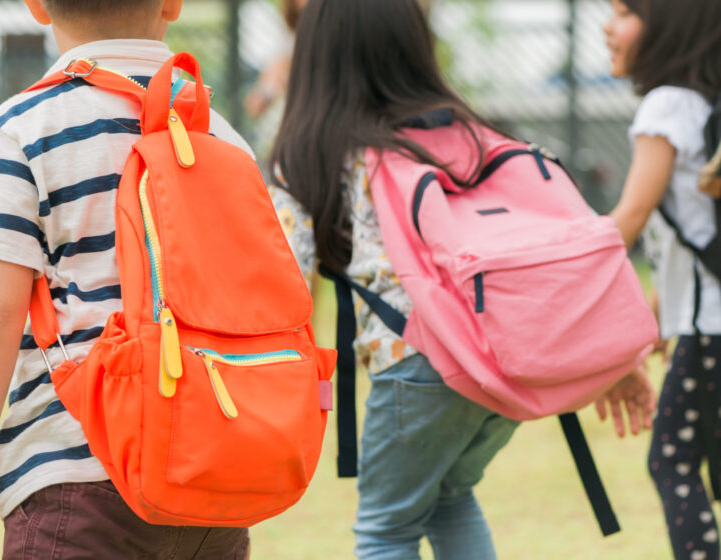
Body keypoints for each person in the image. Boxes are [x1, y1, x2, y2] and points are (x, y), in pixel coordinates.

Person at [268, 1, 653, 558]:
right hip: (498, 356)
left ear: (317, 54)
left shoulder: (312, 151)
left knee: (385, 528)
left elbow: (286, 282)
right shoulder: (473, 134)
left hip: (415, 360)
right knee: (451, 497)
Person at [0, 1, 254, 558]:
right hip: (212, 473)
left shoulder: (21, 128)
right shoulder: (219, 135)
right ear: (172, 4)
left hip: (74, 471)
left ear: (38, 7)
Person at [601, 1, 721, 558]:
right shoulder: (704, 105)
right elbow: (692, 242)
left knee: (671, 460)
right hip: (702, 322)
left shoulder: (668, 104)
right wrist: (652, 317)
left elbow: (632, 215)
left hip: (709, 331)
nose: (609, 27)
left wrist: (569, 280)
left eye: (624, 12)